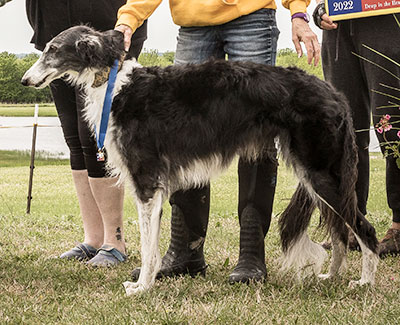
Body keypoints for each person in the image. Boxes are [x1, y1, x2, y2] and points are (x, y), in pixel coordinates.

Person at [115, 0, 320, 283]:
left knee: (258, 134)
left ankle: (251, 254)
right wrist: (128, 17)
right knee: (180, 139)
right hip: (193, 23)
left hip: (253, 17)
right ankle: (185, 251)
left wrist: (298, 11)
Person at [25, 0, 147, 266]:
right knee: (75, 140)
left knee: (94, 139)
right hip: (54, 33)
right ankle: (93, 240)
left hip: (107, 35)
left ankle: (114, 243)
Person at [313, 4, 400, 256]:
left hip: (387, 18)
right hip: (339, 24)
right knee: (344, 128)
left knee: (392, 124)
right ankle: (351, 223)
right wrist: (321, 10)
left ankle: (398, 225)